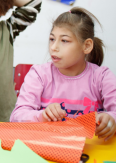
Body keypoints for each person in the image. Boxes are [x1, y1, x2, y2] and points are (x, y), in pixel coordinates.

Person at [10, 8, 116, 141]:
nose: (54, 47)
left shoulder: (102, 77)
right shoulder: (39, 74)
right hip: (48, 150)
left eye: (64, 41)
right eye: (52, 39)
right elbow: (16, 117)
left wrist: (111, 119)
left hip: (91, 152)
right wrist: (43, 116)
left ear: (87, 46)